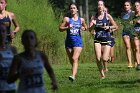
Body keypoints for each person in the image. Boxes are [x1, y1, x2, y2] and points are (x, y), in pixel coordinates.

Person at [59, 2, 87, 81]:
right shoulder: (67, 19)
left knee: (74, 58)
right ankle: (74, 71)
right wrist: (67, 27)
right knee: (72, 60)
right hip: (68, 42)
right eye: (71, 8)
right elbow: (60, 28)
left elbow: (86, 27)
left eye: (74, 8)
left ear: (77, 9)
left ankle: (73, 76)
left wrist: (83, 28)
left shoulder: (81, 20)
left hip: (78, 42)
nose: (72, 9)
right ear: (69, 10)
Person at [89, 0, 118, 79]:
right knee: (98, 58)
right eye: (98, 5)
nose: (100, 6)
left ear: (103, 7)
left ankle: (106, 64)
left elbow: (116, 26)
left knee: (104, 58)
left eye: (101, 5)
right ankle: (102, 74)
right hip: (97, 39)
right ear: (97, 7)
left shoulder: (107, 16)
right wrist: (93, 25)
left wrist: (108, 27)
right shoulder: (94, 17)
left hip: (107, 39)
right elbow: (89, 29)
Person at [0, 23, 17, 93]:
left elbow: (17, 71)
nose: (1, 33)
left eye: (3, 31)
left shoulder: (13, 49)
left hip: (11, 88)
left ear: (7, 33)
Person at [121, 1, 136, 68]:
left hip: (133, 32)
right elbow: (123, 23)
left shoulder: (134, 13)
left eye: (127, 5)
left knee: (134, 48)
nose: (126, 6)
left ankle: (136, 61)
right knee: (127, 46)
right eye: (125, 5)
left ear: (130, 6)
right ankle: (130, 63)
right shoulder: (122, 14)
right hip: (125, 32)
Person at [133, 1, 140, 69]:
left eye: (137, 5)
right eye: (135, 6)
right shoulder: (133, 15)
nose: (136, 7)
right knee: (137, 48)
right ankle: (138, 64)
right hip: (136, 34)